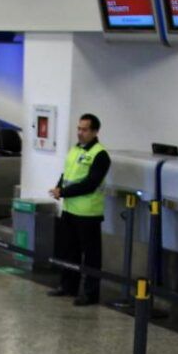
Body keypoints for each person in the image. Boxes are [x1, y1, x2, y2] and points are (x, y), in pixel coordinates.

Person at [47, 113, 111, 306]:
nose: (80, 132)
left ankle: (91, 293)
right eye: (79, 128)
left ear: (95, 131)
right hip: (70, 209)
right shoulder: (75, 149)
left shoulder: (100, 155)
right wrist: (59, 188)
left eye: (84, 129)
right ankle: (68, 286)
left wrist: (64, 192)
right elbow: (66, 174)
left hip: (88, 213)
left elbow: (90, 184)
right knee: (69, 251)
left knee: (91, 256)